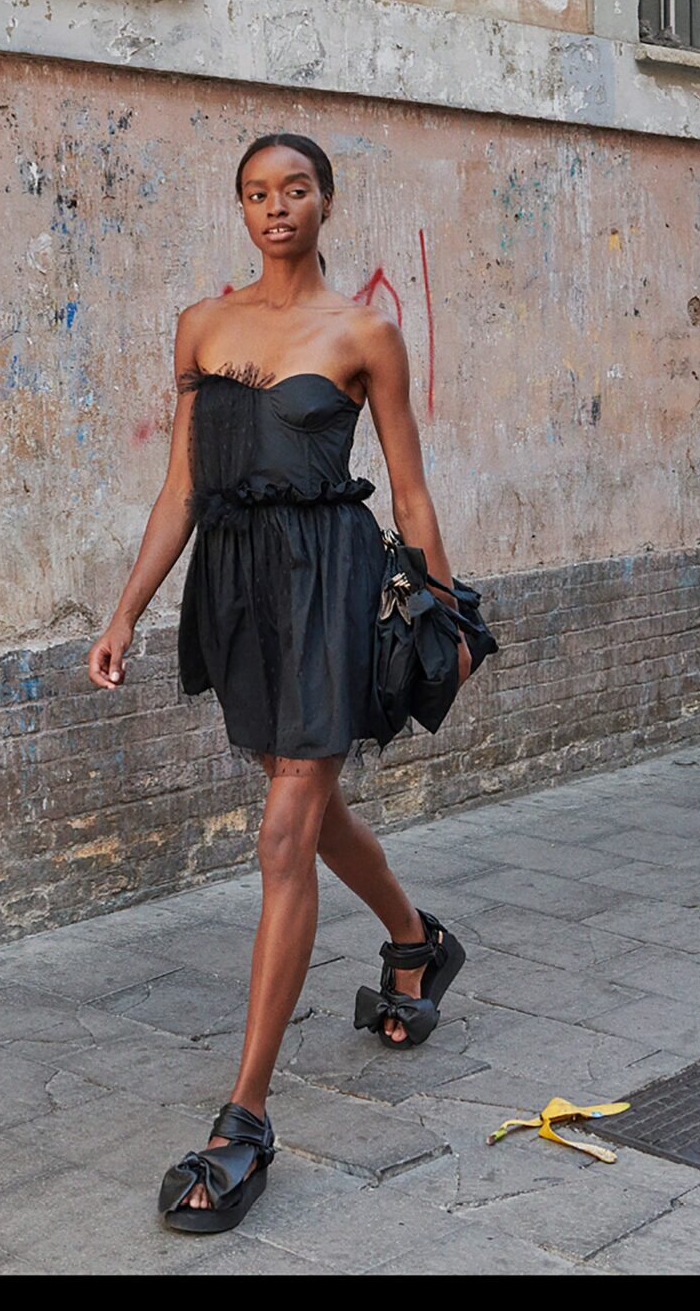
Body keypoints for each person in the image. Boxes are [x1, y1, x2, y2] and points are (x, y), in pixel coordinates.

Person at [87, 133, 476, 1235]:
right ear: (241, 208)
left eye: (294, 190)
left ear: (326, 201)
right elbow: (178, 490)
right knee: (308, 807)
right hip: (239, 587)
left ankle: (244, 1118)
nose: (275, 208)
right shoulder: (200, 328)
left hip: (329, 584)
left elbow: (409, 488)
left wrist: (445, 609)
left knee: (281, 832)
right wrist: (126, 610)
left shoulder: (365, 334)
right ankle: (415, 939)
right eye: (257, 193)